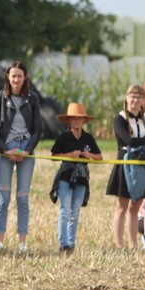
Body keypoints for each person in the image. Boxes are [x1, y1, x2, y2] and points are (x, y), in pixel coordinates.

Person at [0, 61, 42, 252]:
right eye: (13, 76)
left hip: (26, 149)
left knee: (23, 197)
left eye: (20, 76)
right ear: (8, 78)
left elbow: (38, 128)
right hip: (6, 150)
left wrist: (27, 150)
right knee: (3, 197)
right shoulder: (0, 98)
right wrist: (5, 150)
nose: (16, 79)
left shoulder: (32, 98)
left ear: (25, 77)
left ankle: (22, 242)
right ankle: (0, 241)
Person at [50, 103, 102, 253]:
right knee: (65, 210)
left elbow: (100, 157)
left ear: (83, 121)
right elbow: (53, 156)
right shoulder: (64, 137)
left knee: (75, 211)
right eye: (74, 118)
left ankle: (71, 244)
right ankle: (63, 244)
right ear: (69, 121)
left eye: (79, 119)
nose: (77, 121)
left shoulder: (88, 138)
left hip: (82, 177)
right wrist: (70, 155)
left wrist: (89, 155)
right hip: (66, 176)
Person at [106, 84, 145, 249]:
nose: (135, 99)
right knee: (122, 206)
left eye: (139, 96)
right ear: (126, 97)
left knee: (135, 206)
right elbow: (128, 141)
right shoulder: (120, 118)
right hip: (124, 164)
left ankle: (133, 245)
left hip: (142, 166)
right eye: (132, 95)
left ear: (143, 100)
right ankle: (119, 245)